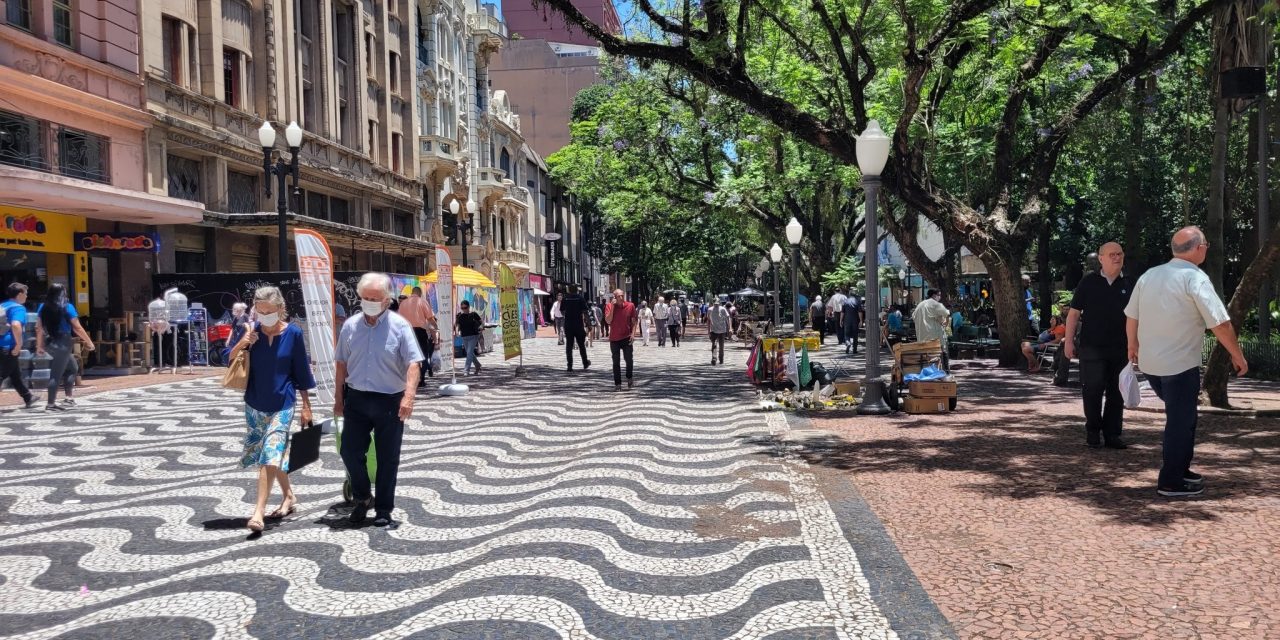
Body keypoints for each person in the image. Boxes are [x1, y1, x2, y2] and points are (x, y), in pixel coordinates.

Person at [1126, 227, 1247, 498]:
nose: (1206, 248)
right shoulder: (1195, 278)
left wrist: (1132, 345)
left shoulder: (1150, 275)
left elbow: (1131, 315)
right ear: (1197, 248)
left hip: (1151, 364)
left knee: (1182, 419)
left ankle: (1180, 469)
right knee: (1181, 422)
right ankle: (1170, 480)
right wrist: (1237, 355)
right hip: (1180, 364)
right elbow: (1221, 323)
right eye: (1205, 244)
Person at [334, 272, 423, 527]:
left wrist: (409, 397)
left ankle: (384, 509)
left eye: (375, 298)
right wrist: (338, 399)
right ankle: (362, 496)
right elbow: (341, 364)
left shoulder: (399, 325)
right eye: (366, 297)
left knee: (387, 457)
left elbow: (413, 364)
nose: (370, 302)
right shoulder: (351, 326)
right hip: (357, 398)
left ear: (386, 300)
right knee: (349, 451)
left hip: (389, 400)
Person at [227, 286, 315, 533]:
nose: (265, 315)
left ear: (280, 309)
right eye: (260, 311)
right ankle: (289, 496)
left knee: (269, 453)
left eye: (269, 311)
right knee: (270, 456)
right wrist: (243, 343)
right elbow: (228, 358)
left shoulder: (294, 334)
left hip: (283, 403)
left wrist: (306, 406)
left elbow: (302, 372)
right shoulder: (249, 331)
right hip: (255, 403)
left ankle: (258, 512)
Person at [1065, 241, 1133, 448]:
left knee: (1117, 392)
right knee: (1092, 389)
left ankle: (1112, 434)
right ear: (1101, 259)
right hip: (1091, 346)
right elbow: (1074, 313)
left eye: (1119, 254)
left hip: (1120, 347)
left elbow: (1138, 317)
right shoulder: (1088, 282)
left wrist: (1136, 344)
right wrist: (1068, 341)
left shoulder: (1131, 283)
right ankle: (1093, 430)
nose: (1116, 257)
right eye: (1111, 254)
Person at [35, 284, 94, 411]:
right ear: (63, 293)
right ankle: (50, 404)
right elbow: (77, 327)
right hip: (63, 342)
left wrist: (39, 346)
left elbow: (39, 328)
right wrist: (89, 341)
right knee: (56, 374)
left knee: (73, 367)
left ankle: (68, 398)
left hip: (50, 341)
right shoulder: (67, 307)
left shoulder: (42, 307)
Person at [1, 283, 36, 409]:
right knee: (2, 375)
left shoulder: (3, 306)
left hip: (2, 346)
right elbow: (16, 325)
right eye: (25, 293)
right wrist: (18, 345)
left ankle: (28, 396)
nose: (27, 296)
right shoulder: (18, 308)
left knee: (15, 374)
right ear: (20, 294)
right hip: (8, 346)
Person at [398, 286, 436, 386]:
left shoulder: (403, 303)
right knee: (422, 355)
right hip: (420, 332)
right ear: (420, 293)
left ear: (412, 292)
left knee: (408, 356)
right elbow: (430, 319)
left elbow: (399, 320)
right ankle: (421, 379)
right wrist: (436, 327)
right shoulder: (422, 302)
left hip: (406, 332)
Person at [606, 289, 637, 391]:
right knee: (616, 362)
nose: (621, 298)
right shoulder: (609, 306)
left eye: (622, 296)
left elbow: (634, 321)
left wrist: (633, 334)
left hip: (626, 337)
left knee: (629, 360)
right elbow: (608, 320)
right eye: (618, 296)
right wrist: (613, 308)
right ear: (614, 297)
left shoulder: (630, 306)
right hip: (614, 339)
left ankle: (629, 377)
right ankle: (617, 383)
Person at [912, 289, 951, 371]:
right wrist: (946, 322)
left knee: (925, 357)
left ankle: (927, 373)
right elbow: (946, 313)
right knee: (941, 353)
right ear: (934, 295)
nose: (939, 297)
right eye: (939, 295)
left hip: (921, 336)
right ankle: (946, 372)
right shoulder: (935, 304)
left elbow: (913, 316)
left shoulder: (920, 305)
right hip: (934, 337)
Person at [561, 284, 591, 371]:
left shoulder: (565, 298)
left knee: (569, 346)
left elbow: (562, 311)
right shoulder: (580, 298)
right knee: (581, 345)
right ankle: (585, 362)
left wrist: (567, 316)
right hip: (578, 324)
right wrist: (588, 324)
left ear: (569, 290)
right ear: (577, 290)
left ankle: (569, 365)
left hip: (568, 324)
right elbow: (585, 312)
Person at [456, 300, 484, 376]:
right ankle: (478, 365)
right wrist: (457, 332)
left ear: (468, 307)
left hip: (473, 336)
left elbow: (481, 322)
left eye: (465, 307)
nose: (464, 309)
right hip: (464, 336)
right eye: (462, 308)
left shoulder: (474, 314)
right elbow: (458, 325)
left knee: (468, 353)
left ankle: (466, 370)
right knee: (470, 353)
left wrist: (481, 327)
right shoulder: (459, 316)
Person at [707, 298, 731, 365]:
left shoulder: (723, 309)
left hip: (722, 330)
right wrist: (708, 331)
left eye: (717, 304)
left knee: (721, 346)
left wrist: (730, 328)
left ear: (719, 303)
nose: (716, 305)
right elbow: (708, 321)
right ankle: (714, 358)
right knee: (714, 345)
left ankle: (721, 359)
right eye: (715, 304)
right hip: (713, 330)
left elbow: (728, 318)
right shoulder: (710, 310)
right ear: (713, 303)